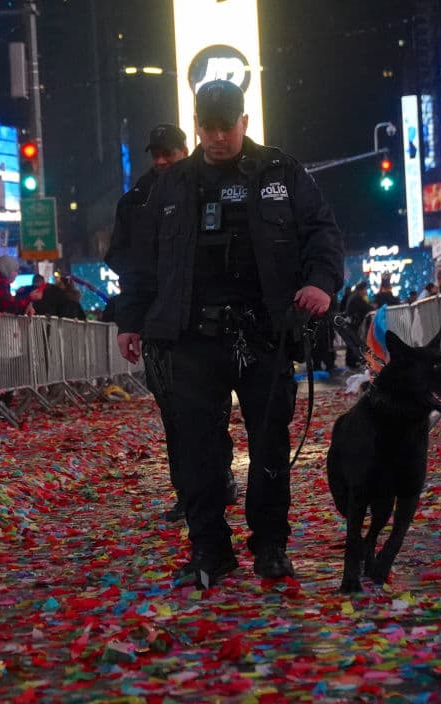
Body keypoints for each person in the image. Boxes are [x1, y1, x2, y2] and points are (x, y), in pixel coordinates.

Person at [116, 80, 344, 586]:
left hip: (265, 335)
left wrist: (319, 284)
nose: (217, 137)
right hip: (191, 338)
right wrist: (129, 320)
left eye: (226, 127)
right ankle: (209, 551)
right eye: (207, 128)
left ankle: (270, 547)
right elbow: (141, 261)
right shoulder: (172, 184)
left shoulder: (282, 173)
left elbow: (323, 235)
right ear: (196, 126)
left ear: (244, 121)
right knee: (197, 449)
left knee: (268, 448)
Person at [104, 121, 238, 524]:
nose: (162, 161)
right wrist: (133, 315)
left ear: (185, 148)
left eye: (169, 153)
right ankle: (191, 489)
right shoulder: (138, 201)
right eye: (156, 154)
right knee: (177, 412)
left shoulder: (212, 184)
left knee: (211, 408)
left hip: (212, 316)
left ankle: (218, 476)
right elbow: (126, 262)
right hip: (162, 324)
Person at [344, 280, 373, 369]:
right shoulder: (357, 298)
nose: (366, 292)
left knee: (352, 343)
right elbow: (366, 307)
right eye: (365, 289)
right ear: (361, 289)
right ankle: (352, 362)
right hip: (352, 324)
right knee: (354, 343)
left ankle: (351, 362)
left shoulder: (354, 296)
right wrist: (373, 307)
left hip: (352, 323)